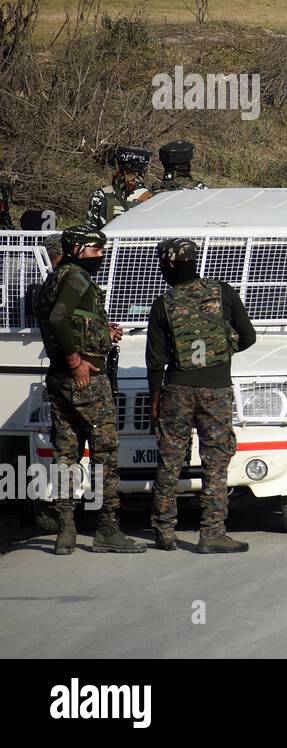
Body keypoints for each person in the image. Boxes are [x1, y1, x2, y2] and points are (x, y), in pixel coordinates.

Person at [35, 226, 143, 554]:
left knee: (66, 454)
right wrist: (76, 360)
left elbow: (69, 319)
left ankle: (66, 530)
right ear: (79, 249)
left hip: (60, 380)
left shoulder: (56, 277)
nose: (101, 256)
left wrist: (101, 330)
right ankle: (107, 529)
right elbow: (57, 319)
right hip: (86, 380)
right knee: (105, 453)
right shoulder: (77, 277)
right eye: (97, 250)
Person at [147, 238, 258, 553]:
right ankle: (211, 533)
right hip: (216, 390)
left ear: (168, 265)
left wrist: (155, 399)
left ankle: (164, 532)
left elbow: (154, 361)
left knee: (169, 461)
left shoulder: (163, 304)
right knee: (215, 461)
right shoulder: (223, 292)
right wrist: (219, 351)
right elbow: (248, 336)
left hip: (176, 390)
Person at [87, 146, 153, 229]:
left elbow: (90, 232)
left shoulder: (100, 194)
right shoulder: (153, 199)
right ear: (145, 171)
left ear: (117, 166)